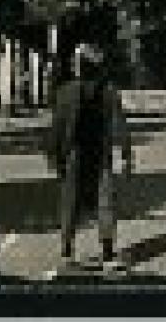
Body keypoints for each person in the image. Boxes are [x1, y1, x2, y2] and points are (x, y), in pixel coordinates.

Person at [45, 43, 134, 271]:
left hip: (77, 153)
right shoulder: (108, 91)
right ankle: (106, 251)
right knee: (104, 202)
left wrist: (53, 155)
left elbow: (57, 127)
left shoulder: (67, 92)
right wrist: (125, 154)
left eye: (77, 62)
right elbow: (119, 124)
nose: (75, 66)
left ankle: (67, 250)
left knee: (71, 202)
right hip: (96, 153)